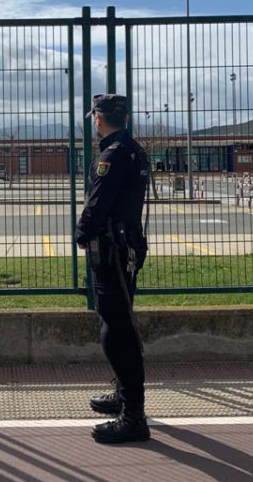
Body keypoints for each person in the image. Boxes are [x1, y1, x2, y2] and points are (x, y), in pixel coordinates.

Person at [76, 94, 151, 444]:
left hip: (112, 250)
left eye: (94, 118)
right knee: (120, 323)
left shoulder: (112, 154)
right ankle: (124, 397)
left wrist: (81, 233)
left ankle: (133, 416)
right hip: (127, 245)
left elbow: (98, 204)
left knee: (115, 330)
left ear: (98, 119)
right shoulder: (134, 150)